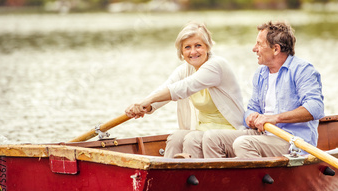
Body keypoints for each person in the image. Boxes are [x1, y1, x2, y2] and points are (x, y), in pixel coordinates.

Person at [202, 21, 324, 159]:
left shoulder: (303, 70)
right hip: (263, 135)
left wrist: (275, 118)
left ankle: (255, 179)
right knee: (211, 138)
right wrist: (251, 116)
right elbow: (252, 108)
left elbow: (316, 108)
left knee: (243, 144)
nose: (254, 49)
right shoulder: (261, 73)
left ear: (276, 49)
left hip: (292, 141)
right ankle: (223, 180)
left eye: (259, 44)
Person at [125, 22, 245, 158]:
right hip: (202, 131)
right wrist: (144, 106)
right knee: (175, 137)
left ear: (207, 47)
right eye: (187, 47)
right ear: (181, 51)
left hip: (231, 132)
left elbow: (182, 88)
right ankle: (167, 175)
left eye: (198, 45)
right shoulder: (185, 70)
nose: (193, 52)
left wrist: (147, 101)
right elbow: (166, 88)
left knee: (192, 139)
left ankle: (196, 177)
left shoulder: (216, 66)